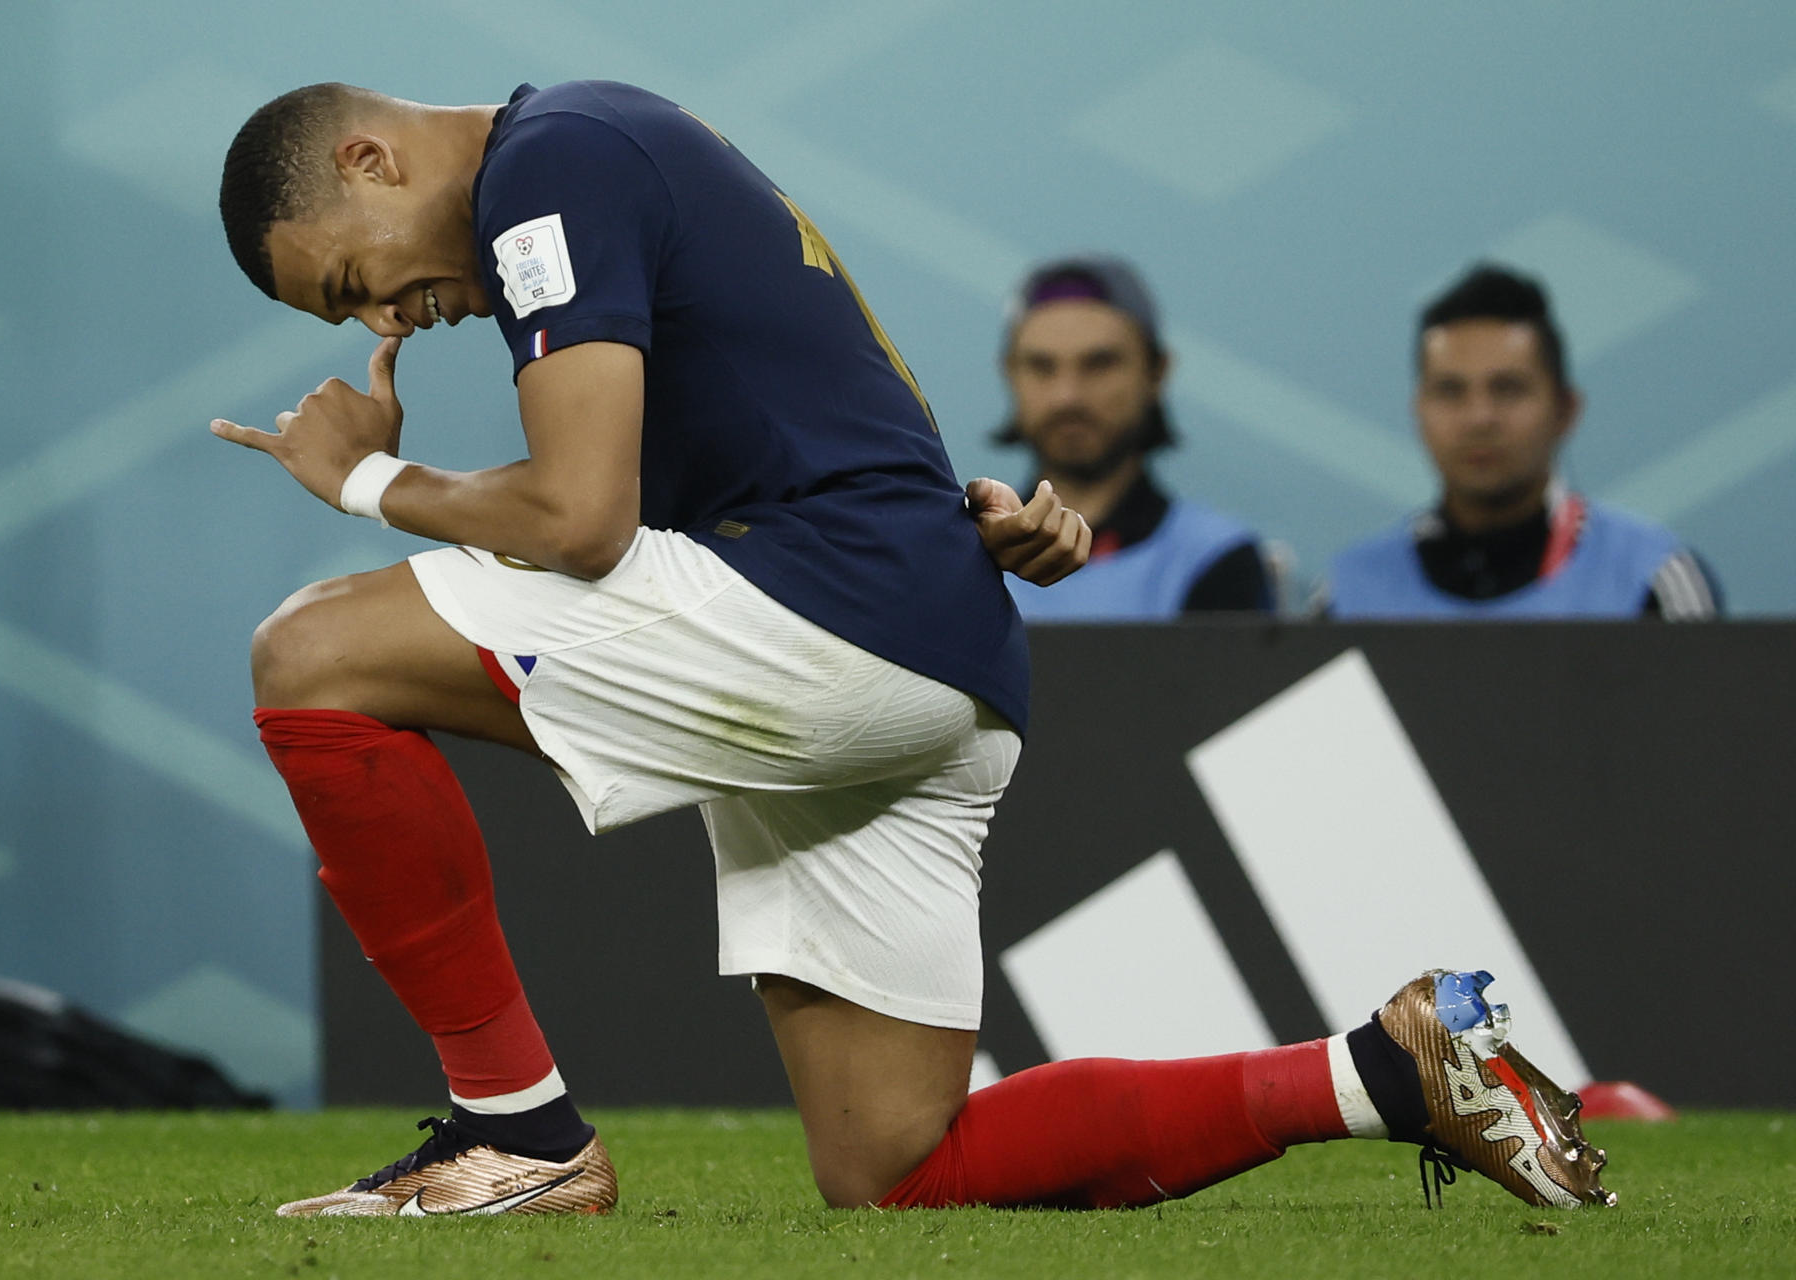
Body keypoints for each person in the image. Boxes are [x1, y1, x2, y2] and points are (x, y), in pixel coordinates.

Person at [212, 80, 1613, 1218]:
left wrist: (363, 482)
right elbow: (830, 398)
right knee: (898, 1167)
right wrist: (977, 523)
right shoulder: (624, 145)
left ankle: (511, 1133)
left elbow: (582, 518)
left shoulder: (546, 170)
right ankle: (1384, 1071)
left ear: (370, 157)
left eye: (354, 280)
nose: (386, 320)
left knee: (310, 652)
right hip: (935, 644)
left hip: (834, 619)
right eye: (351, 318)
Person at [1323, 264, 1720, 619]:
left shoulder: (1651, 580)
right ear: (1418, 412)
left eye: (1508, 389)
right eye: (1450, 391)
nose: (1480, 418)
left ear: (1565, 410)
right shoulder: (1346, 597)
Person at [995, 257, 1274, 620]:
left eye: (1099, 364)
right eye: (1041, 366)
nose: (1067, 396)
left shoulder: (1217, 559)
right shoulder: (963, 556)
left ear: (1157, 372)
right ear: (1009, 373)